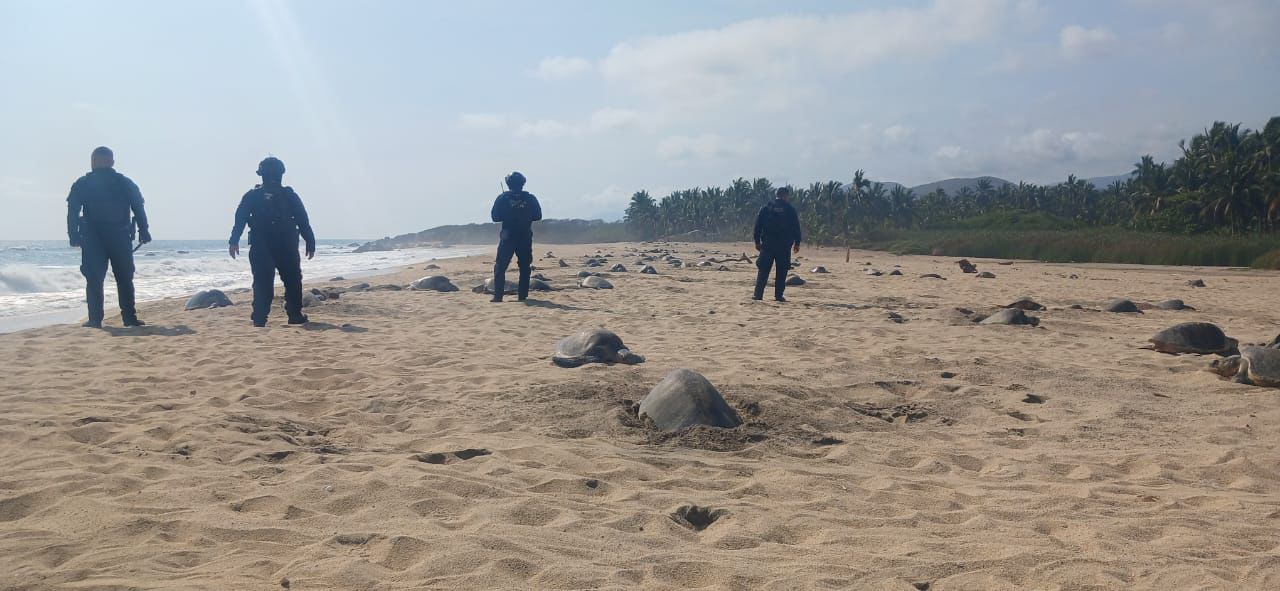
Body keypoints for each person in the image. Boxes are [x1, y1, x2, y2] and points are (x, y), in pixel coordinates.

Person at [66, 146, 152, 328]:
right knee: (124, 279)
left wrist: (73, 235)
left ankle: (95, 320)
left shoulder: (83, 183)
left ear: (93, 162)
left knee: (95, 280)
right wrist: (144, 231)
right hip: (118, 237)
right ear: (112, 162)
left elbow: (72, 211)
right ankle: (129, 318)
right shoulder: (124, 182)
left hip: (95, 239)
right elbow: (138, 207)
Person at [228, 157, 316, 327]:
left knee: (264, 283)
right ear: (281, 174)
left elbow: (240, 220)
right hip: (284, 245)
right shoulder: (288, 195)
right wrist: (310, 242)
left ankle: (261, 318)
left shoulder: (253, 196)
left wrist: (234, 240)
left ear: (260, 175)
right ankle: (293, 315)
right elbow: (303, 220)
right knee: (291, 281)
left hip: (264, 246)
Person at [489, 171, 542, 302]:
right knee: (524, 267)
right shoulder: (530, 198)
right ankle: (522, 296)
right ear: (523, 183)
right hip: (525, 236)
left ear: (508, 184)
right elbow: (538, 216)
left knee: (500, 266)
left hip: (508, 236)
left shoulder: (502, 198)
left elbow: (495, 217)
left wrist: (508, 215)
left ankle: (498, 296)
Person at [752, 186, 802, 302]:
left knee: (763, 270)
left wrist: (757, 241)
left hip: (768, 244)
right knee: (782, 271)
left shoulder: (766, 208)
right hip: (784, 246)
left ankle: (758, 294)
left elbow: (758, 226)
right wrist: (797, 243)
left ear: (777, 195)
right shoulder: (790, 209)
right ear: (785, 196)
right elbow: (796, 227)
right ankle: (778, 296)